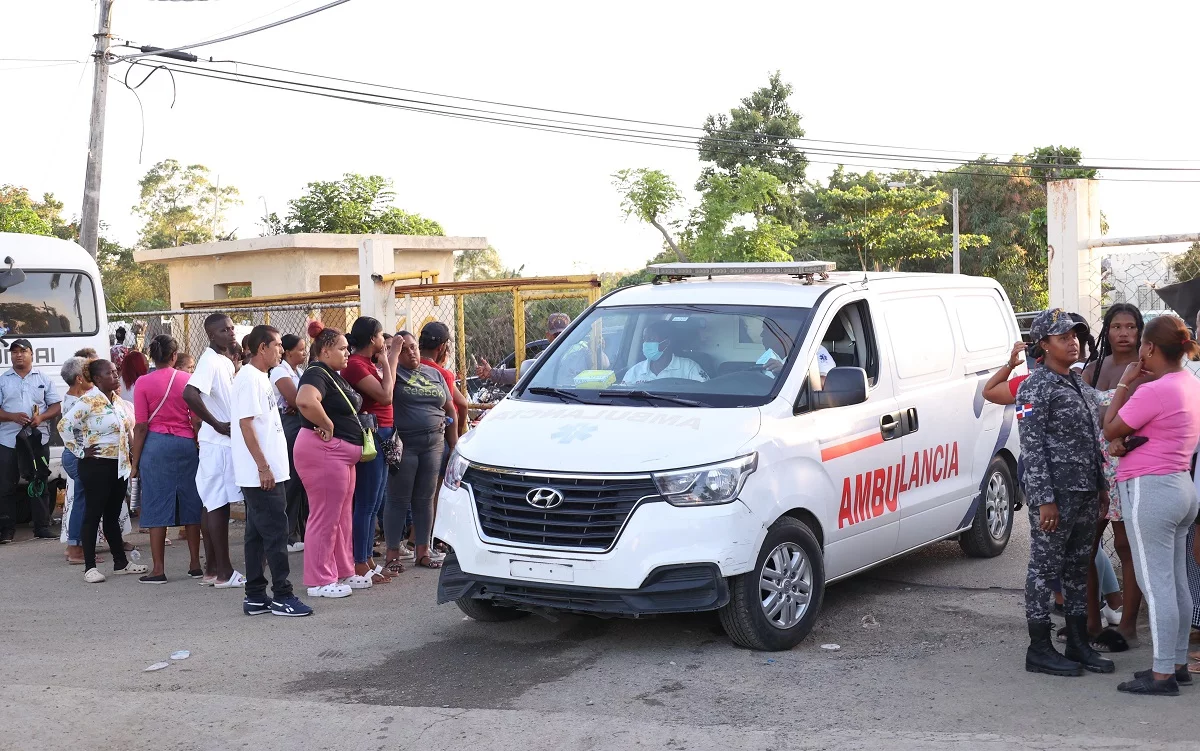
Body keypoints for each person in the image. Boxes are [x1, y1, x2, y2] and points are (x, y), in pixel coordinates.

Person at [1102, 314, 1200, 696]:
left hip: (1151, 490)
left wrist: (1126, 380)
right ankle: (1176, 664)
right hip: (1180, 487)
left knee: (1155, 584)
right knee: (1174, 581)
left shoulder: (1153, 390)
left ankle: (1162, 674)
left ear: (1149, 348)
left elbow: (1109, 426)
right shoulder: (1190, 384)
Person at [1016, 309, 1113, 677]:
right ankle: (1039, 648)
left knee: (1077, 567)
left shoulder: (1078, 384)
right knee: (1044, 569)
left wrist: (1102, 487)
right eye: (1063, 337)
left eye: (1075, 335)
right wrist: (1044, 500)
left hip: (1087, 492)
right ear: (1043, 344)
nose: (1072, 341)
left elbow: (1094, 440)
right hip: (1056, 496)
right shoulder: (1033, 387)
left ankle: (1076, 642)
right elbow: (1032, 447)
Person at [232, 325, 312, 617]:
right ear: (262, 347)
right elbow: (246, 424)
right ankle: (282, 595)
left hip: (268, 471)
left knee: (256, 535)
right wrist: (263, 467)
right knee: (277, 533)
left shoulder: (261, 378)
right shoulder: (250, 379)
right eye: (277, 345)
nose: (282, 349)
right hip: (262, 473)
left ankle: (255, 595)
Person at [1081, 303, 1146, 643]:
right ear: (1106, 331)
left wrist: (1125, 440)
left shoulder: (1147, 370)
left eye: (1131, 327)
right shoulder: (1092, 369)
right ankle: (1092, 623)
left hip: (1130, 465)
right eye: (1117, 326)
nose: (1124, 333)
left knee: (1125, 544)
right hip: (1093, 468)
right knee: (1085, 545)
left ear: (1140, 331)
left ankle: (1128, 627)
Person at [59, 359, 148, 583]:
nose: (115, 376)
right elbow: (65, 425)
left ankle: (121, 563)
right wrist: (80, 450)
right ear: (97, 379)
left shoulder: (117, 402)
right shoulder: (88, 400)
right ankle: (90, 567)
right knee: (93, 514)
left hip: (118, 466)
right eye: (109, 373)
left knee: (112, 514)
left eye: (116, 372)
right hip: (96, 465)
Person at [294, 324, 361, 599]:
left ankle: (343, 570)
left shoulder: (331, 374)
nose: (348, 353)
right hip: (324, 451)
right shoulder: (316, 372)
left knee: (341, 516)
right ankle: (320, 580)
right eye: (343, 348)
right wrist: (328, 424)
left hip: (339, 454)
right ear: (325, 351)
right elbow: (305, 400)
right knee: (324, 516)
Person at [129, 335, 203, 584]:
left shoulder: (142, 383)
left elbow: (140, 425)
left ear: (152, 356)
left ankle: (158, 569)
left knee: (156, 504)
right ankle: (195, 564)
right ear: (174, 356)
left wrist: (135, 462)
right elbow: (196, 419)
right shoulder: (187, 379)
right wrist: (194, 441)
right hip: (185, 444)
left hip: (156, 446)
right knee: (191, 502)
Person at [384, 331, 457, 572]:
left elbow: (451, 409)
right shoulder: (394, 374)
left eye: (413, 347)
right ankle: (392, 555)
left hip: (434, 443)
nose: (411, 352)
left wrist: (453, 444)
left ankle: (423, 552)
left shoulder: (434, 372)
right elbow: (386, 391)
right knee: (398, 499)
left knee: (425, 499)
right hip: (406, 444)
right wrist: (393, 355)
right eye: (405, 350)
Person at [182, 313, 244, 589]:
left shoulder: (223, 360)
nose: (230, 333)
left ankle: (211, 569)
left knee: (212, 504)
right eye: (223, 330)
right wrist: (217, 423)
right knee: (218, 505)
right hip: (217, 443)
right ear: (211, 334)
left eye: (232, 328)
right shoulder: (208, 360)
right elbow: (190, 393)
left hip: (220, 443)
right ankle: (225, 572)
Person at [341, 316, 398, 588]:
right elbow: (386, 396)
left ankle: (367, 559)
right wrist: (389, 359)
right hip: (370, 434)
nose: (383, 340)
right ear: (373, 338)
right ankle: (359, 560)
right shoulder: (355, 365)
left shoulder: (367, 363)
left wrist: (386, 360)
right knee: (365, 502)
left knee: (375, 501)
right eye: (380, 336)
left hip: (383, 432)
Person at [0, 338, 62, 543]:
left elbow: (56, 406)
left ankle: (41, 527)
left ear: (31, 354)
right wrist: (11, 416)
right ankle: (6, 531)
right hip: (9, 440)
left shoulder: (43, 378)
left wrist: (41, 417)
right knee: (6, 485)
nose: (19, 354)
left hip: (37, 440)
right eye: (15, 351)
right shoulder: (3, 380)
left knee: (39, 482)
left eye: (23, 351)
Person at [270, 334, 308, 552]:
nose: (304, 353)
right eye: (301, 349)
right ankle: (287, 534)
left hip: (298, 422)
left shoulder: (299, 372)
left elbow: (306, 399)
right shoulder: (279, 372)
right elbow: (295, 400)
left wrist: (302, 402)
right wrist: (300, 403)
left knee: (299, 480)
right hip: (287, 426)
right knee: (291, 479)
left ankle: (295, 530)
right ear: (288, 351)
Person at [475, 312, 571, 386]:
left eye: (564, 334)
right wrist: (492, 373)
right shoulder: (542, 357)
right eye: (556, 335)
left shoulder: (582, 353)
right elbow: (521, 374)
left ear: (572, 333)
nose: (560, 338)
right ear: (548, 336)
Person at [60, 356, 93, 565]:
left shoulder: (73, 398)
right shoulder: (77, 402)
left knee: (82, 500)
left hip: (75, 454)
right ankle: (75, 549)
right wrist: (81, 453)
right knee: (82, 501)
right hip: (78, 455)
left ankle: (75, 546)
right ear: (80, 378)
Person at [621, 321, 708, 385]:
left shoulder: (689, 367)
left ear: (666, 343)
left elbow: (705, 391)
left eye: (651, 339)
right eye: (644, 339)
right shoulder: (636, 370)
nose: (645, 343)